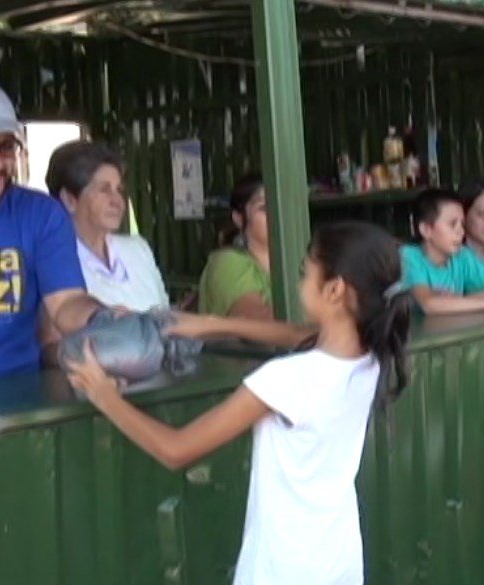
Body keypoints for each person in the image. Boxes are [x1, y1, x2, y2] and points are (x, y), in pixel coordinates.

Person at [65, 221, 411, 584]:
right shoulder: (370, 356)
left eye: (304, 272)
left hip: (282, 568)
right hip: (337, 560)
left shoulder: (287, 379)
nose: (298, 283)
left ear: (335, 290)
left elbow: (176, 449)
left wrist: (104, 396)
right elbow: (298, 334)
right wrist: (211, 324)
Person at [0, 76, 104, 385]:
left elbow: (66, 304)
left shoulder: (41, 215)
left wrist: (104, 318)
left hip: (17, 409)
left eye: (6, 148)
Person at [45, 140, 169, 311]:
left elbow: (165, 316)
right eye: (104, 190)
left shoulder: (138, 250)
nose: (117, 201)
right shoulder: (53, 263)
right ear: (70, 200)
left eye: (119, 190)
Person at [198, 173, 273, 319]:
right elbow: (255, 319)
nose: (276, 213)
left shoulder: (303, 262)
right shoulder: (228, 262)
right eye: (264, 208)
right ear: (239, 218)